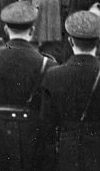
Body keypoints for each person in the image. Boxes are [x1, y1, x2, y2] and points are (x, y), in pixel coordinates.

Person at [0, 1, 53, 171]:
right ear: (32, 31)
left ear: (6, 30)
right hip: (33, 134)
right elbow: (51, 112)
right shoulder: (47, 64)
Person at [38, 10, 100, 170]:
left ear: (71, 41)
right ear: (98, 42)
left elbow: (47, 125)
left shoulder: (54, 75)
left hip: (67, 151)